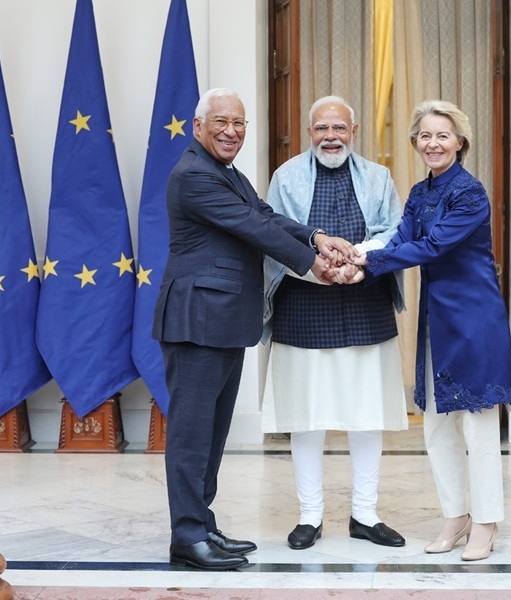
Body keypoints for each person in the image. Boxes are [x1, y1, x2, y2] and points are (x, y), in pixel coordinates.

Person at [153, 88, 358, 570]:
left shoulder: (224, 172)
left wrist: (316, 235)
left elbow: (263, 214)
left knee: (212, 433)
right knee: (191, 435)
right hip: (196, 320)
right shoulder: (194, 176)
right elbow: (252, 228)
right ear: (197, 125)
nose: (231, 131)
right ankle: (186, 535)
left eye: (239, 123)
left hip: (221, 321)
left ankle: (201, 524)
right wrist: (313, 264)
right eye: (221, 121)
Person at [357, 99, 511, 562]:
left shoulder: (470, 193)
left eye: (442, 135)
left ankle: (486, 522)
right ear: (415, 143)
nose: (433, 143)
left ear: (460, 142)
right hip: (435, 322)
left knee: (479, 429)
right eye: (425, 135)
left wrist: (367, 263)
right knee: (436, 428)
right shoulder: (418, 191)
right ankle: (456, 516)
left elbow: (431, 246)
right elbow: (400, 238)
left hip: (474, 322)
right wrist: (357, 256)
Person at [260, 96, 407, 551]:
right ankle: (310, 516)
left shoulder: (379, 177)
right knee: (306, 415)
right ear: (309, 133)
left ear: (354, 131)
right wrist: (316, 268)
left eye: (339, 128)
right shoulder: (286, 177)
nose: (330, 136)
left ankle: (365, 514)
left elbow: (394, 230)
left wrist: (357, 262)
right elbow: (274, 232)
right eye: (322, 128)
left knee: (367, 414)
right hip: (303, 304)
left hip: (365, 299)